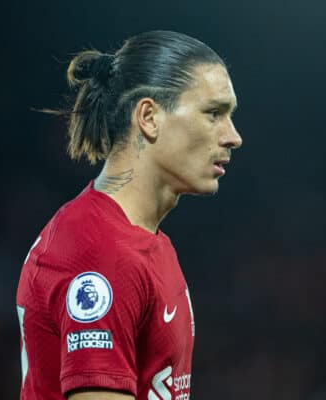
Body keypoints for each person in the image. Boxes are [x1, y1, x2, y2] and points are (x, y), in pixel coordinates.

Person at [16, 30, 242, 400]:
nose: (233, 136)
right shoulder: (101, 253)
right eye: (213, 113)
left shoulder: (144, 242)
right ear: (149, 117)